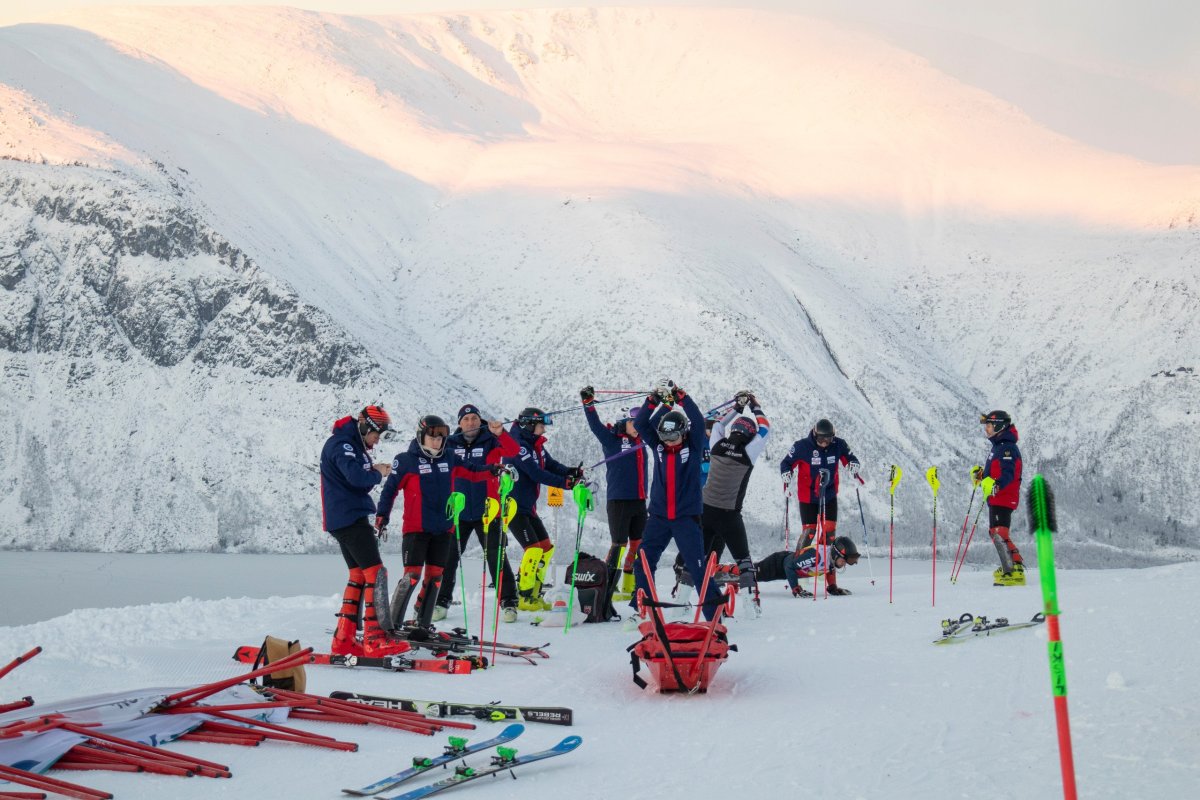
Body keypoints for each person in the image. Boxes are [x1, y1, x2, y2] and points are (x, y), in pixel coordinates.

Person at [374, 414, 516, 635]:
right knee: (412, 577)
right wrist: (382, 516)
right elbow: (390, 490)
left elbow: (473, 471)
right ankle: (391, 625)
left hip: (443, 529)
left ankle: (421, 622)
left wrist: (494, 469)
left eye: (440, 438)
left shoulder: (449, 457)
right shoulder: (406, 460)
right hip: (416, 529)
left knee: (435, 578)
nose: (437, 441)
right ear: (421, 436)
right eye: (432, 437)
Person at [631, 380, 725, 622]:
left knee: (697, 568)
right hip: (659, 518)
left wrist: (682, 397)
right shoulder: (659, 447)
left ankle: (714, 614)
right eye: (664, 438)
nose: (668, 442)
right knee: (643, 562)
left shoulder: (693, 446)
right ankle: (644, 609)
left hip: (686, 518)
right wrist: (653, 400)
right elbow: (641, 424)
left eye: (673, 438)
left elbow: (697, 420)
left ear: (683, 433)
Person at [320, 405, 405, 657]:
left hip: (343, 517)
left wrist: (373, 470)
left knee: (358, 574)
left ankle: (343, 639)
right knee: (376, 573)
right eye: (377, 434)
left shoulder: (349, 445)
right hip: (350, 517)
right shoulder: (343, 445)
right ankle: (375, 639)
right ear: (366, 427)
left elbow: (358, 478)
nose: (377, 440)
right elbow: (357, 478)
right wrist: (377, 472)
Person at [435, 404, 522, 623]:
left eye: (474, 418)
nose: (470, 423)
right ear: (459, 423)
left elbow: (513, 451)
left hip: (488, 510)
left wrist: (501, 433)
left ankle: (508, 602)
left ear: (480, 421)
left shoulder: (491, 439)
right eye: (466, 419)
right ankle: (441, 601)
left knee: (496, 556)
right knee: (448, 558)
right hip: (458, 511)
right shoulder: (450, 443)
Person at [504, 407, 583, 611]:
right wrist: (565, 483)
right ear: (529, 426)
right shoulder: (517, 445)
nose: (544, 430)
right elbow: (536, 473)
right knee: (533, 549)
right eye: (541, 426)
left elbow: (550, 464)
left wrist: (570, 472)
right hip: (514, 507)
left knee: (546, 548)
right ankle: (524, 595)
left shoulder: (534, 444)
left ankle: (535, 592)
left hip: (528, 507)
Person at [699, 391, 770, 601]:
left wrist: (737, 408)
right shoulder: (748, 452)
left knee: (696, 559)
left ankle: (682, 600)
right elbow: (765, 428)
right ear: (749, 435)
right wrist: (755, 406)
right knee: (744, 561)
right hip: (729, 514)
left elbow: (718, 424)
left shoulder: (716, 444)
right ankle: (750, 605)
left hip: (705, 510)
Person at [581, 387, 648, 606]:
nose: (638, 427)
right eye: (633, 423)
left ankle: (629, 587)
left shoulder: (642, 440)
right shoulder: (612, 440)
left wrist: (660, 400)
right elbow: (595, 426)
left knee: (638, 544)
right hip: (619, 501)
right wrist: (588, 404)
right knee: (618, 545)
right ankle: (608, 586)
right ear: (623, 422)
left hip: (640, 500)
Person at [780, 418, 862, 550]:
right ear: (815, 435)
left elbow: (850, 457)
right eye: (821, 439)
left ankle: (823, 558)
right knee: (809, 532)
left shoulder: (838, 444)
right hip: (808, 496)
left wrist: (853, 464)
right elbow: (786, 463)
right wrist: (786, 473)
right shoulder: (802, 446)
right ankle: (799, 559)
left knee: (829, 533)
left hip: (829, 494)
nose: (824, 443)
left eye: (828, 439)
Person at [974, 410, 1025, 586]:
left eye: (989, 425)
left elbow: (1008, 473)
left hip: (1003, 496)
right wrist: (982, 475)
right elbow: (996, 470)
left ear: (999, 426)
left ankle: (1013, 571)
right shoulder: (999, 446)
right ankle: (1013, 566)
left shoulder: (1006, 448)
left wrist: (996, 485)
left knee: (999, 533)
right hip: (998, 497)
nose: (986, 429)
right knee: (996, 532)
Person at [754, 536, 860, 597]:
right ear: (835, 554)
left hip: (786, 569)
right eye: (843, 560)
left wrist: (833, 587)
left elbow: (829, 570)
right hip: (777, 565)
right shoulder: (817, 556)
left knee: (751, 576)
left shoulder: (831, 559)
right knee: (751, 575)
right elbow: (789, 566)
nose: (844, 564)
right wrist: (796, 589)